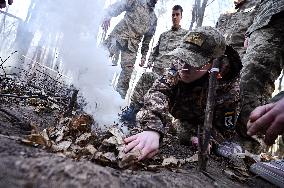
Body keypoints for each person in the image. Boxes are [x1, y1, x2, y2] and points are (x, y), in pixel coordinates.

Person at [123, 26, 242, 160]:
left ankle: (179, 128)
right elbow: (160, 90)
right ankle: (131, 115)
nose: (184, 67)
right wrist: (153, 128)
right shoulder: (179, 64)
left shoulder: (230, 89)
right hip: (177, 104)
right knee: (149, 78)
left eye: (194, 62)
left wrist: (208, 138)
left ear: (215, 63)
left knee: (185, 133)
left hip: (193, 120)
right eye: (183, 58)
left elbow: (225, 130)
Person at [121, 5, 188, 121]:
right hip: (157, 68)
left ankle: (157, 120)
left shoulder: (186, 35)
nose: (174, 17)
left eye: (177, 15)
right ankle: (132, 112)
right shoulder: (164, 35)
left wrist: (177, 71)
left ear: (181, 16)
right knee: (147, 86)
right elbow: (155, 50)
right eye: (173, 14)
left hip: (170, 74)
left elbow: (185, 56)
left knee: (160, 97)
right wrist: (150, 61)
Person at [238, 0, 284, 137]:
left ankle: (251, 145)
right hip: (268, 18)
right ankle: (246, 141)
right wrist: (251, 31)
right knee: (246, 84)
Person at [102, 0, 158, 99]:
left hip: (132, 48)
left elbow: (147, 40)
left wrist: (144, 56)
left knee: (126, 78)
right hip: (119, 36)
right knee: (100, 57)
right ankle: (82, 88)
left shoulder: (153, 19)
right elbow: (120, 5)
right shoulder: (136, 1)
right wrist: (108, 15)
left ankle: (114, 106)